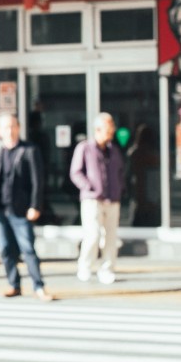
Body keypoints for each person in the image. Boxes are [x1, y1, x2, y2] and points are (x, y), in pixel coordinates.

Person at [0, 111, 49, 300]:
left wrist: (35, 205)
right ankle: (14, 284)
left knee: (28, 248)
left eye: (13, 126)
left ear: (18, 128)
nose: (10, 131)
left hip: (21, 209)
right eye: (5, 127)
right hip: (0, 209)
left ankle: (38, 286)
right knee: (4, 248)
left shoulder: (29, 150)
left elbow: (38, 181)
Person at [69, 111, 126, 286]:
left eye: (112, 130)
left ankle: (107, 269)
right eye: (108, 130)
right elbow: (75, 172)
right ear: (98, 129)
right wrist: (89, 187)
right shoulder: (84, 148)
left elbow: (121, 172)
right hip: (92, 199)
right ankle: (85, 265)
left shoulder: (114, 150)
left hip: (112, 199)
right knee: (92, 234)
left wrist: (119, 187)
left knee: (111, 237)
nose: (111, 133)